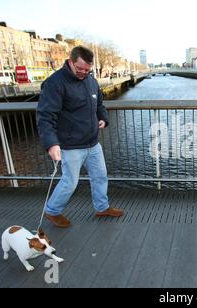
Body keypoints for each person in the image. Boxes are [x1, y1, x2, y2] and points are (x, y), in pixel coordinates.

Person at [37, 46, 123, 228]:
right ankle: (52, 211)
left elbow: (99, 103)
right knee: (70, 182)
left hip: (92, 143)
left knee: (100, 176)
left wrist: (103, 118)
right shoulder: (55, 83)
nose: (84, 73)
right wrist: (52, 144)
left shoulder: (91, 80)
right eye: (80, 69)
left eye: (87, 70)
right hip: (70, 145)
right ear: (70, 61)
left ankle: (102, 207)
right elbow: (45, 116)